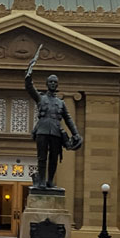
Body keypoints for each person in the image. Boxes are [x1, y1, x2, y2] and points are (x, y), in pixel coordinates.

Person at [24, 46, 82, 189]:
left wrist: (75, 133)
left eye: (55, 82)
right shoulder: (41, 98)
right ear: (47, 84)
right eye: (51, 82)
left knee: (54, 158)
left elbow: (68, 119)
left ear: (57, 85)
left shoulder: (60, 103)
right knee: (42, 158)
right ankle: (42, 182)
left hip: (56, 132)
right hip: (42, 130)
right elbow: (30, 88)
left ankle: (50, 181)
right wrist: (28, 74)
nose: (53, 84)